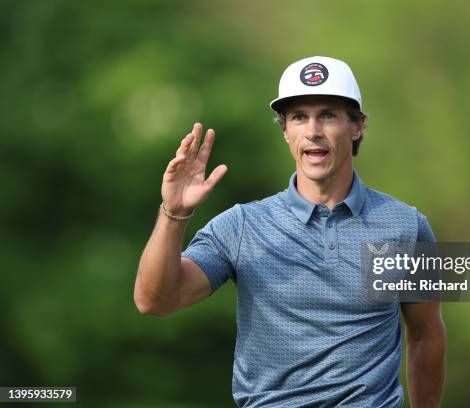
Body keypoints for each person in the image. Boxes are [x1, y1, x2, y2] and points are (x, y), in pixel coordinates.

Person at [135, 56, 446, 407]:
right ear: (285, 131)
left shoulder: (406, 225)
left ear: (357, 126)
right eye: (299, 117)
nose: (313, 130)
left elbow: (426, 335)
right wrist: (174, 213)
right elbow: (155, 300)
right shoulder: (241, 226)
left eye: (328, 115)